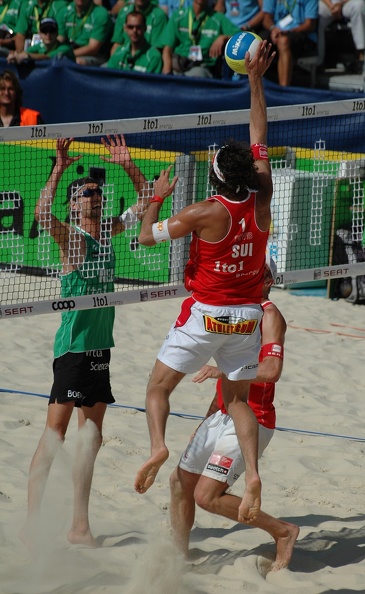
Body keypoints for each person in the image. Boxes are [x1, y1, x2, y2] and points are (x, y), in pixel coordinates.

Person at [135, 40, 276, 525]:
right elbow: (259, 131)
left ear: (214, 178)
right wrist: (255, 79)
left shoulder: (202, 213)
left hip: (209, 313)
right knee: (237, 400)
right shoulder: (262, 200)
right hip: (248, 318)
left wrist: (155, 197)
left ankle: (157, 447)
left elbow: (147, 239)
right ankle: (252, 471)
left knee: (157, 390)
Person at [20, 134, 150, 550]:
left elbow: (146, 201)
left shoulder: (109, 232)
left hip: (99, 347)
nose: (94, 195)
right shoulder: (72, 239)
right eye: (85, 193)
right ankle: (31, 524)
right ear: (74, 204)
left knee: (90, 437)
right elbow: (42, 214)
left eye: (96, 191)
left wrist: (127, 163)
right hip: (72, 350)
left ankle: (79, 526)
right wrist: (59, 169)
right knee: (54, 435)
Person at [169, 261, 300, 571]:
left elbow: (272, 371)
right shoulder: (233, 310)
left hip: (254, 418)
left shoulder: (269, 315)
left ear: (267, 280)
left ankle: (283, 531)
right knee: (178, 482)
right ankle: (176, 557)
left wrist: (225, 371)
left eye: (259, 275)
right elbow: (226, 385)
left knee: (207, 496)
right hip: (222, 415)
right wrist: (206, 420)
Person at [158, 0, 240, 77]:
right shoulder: (178, 16)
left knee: (195, 76)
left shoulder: (217, 18)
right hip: (178, 64)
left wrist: (224, 37)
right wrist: (167, 73)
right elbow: (167, 49)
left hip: (201, 66)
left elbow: (240, 36)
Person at [261, 0, 318, 86]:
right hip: (276, 31)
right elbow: (266, 19)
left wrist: (289, 31)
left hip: (300, 33)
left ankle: (284, 88)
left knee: (283, 41)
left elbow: (310, 24)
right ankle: (255, 84)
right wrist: (274, 29)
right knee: (260, 41)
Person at [57, 0, 114, 66]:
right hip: (69, 51)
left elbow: (93, 49)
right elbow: (59, 39)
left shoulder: (101, 13)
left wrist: (66, 54)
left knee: (77, 62)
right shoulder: (64, 11)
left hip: (94, 56)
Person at [318, 0, 365, 73]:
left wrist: (341, 4)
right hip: (329, 4)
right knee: (316, 11)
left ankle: (361, 54)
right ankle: (318, 61)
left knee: (359, 5)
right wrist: (331, 6)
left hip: (348, 3)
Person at [7, 17, 75, 64]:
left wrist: (27, 56)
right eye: (44, 31)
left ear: (57, 33)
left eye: (51, 31)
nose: (48, 35)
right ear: (39, 33)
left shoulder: (65, 48)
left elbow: (47, 57)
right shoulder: (40, 46)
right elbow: (24, 53)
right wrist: (15, 55)